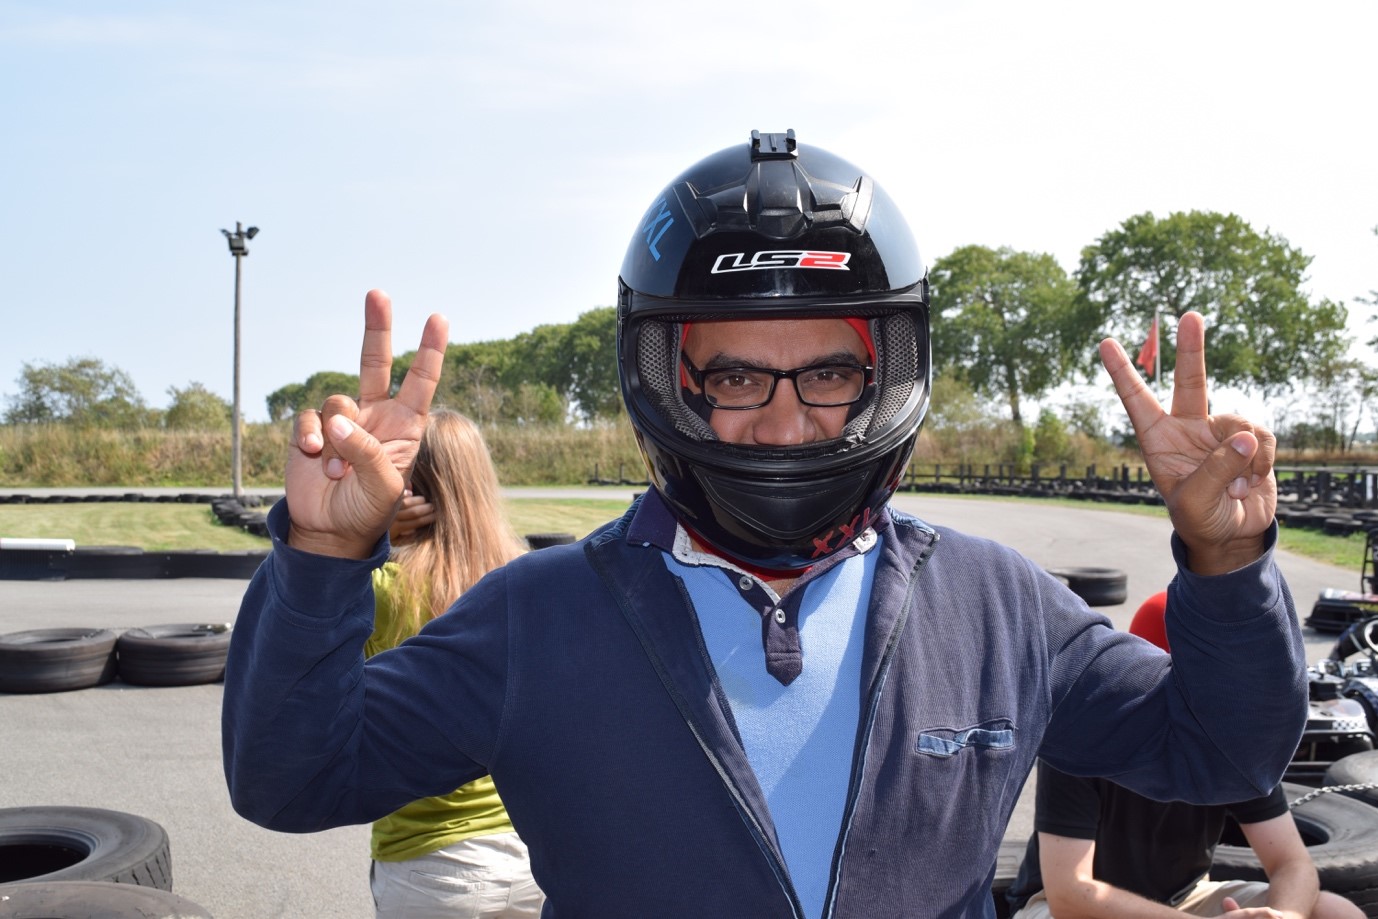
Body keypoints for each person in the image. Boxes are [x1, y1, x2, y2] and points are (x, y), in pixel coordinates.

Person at [222, 129, 1308, 918]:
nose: (786, 420)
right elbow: (290, 775)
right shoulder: (537, 617)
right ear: (669, 379)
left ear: (888, 373)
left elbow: (1221, 747)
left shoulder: (995, 605)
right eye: (736, 373)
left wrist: (1226, 562)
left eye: (830, 370)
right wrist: (319, 555)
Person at [1006, 593, 1362, 919]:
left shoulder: (1234, 739)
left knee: (1334, 911)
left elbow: (1291, 862)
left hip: (1184, 899)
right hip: (1065, 907)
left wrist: (1285, 916)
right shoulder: (1081, 734)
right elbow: (1071, 893)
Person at [366, 409, 543, 918]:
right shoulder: (527, 580)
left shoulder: (383, 590)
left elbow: (289, 635)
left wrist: (371, 539)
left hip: (429, 868)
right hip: (532, 855)